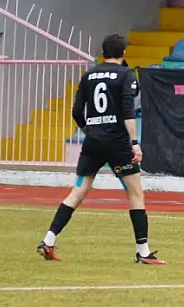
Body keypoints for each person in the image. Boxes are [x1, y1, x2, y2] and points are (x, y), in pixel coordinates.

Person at [37, 34, 164, 264]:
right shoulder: (126, 75)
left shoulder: (89, 75)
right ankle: (143, 251)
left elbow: (77, 112)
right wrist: (134, 142)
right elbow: (127, 111)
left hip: (93, 141)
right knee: (135, 194)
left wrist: (91, 130)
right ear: (124, 52)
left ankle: (49, 239)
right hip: (116, 142)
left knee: (79, 190)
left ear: (103, 53)